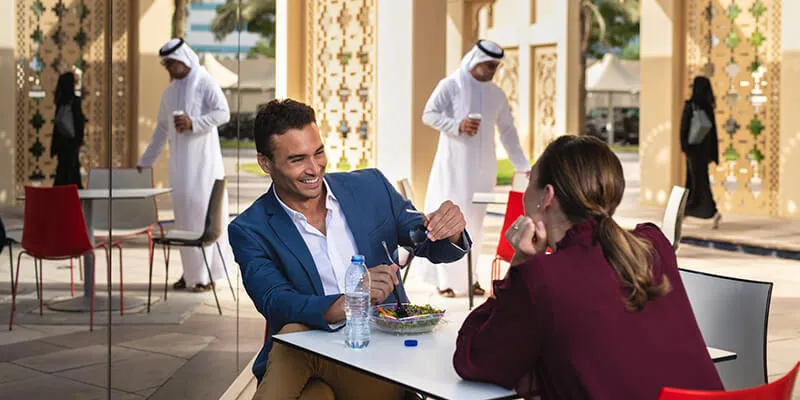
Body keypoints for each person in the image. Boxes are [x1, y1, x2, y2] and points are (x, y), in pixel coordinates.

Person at [229, 99, 471, 399]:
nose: (314, 168)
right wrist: (347, 302)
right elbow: (276, 301)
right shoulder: (250, 229)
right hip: (315, 353)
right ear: (265, 163)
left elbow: (423, 239)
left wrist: (450, 229)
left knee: (294, 345)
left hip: (381, 361)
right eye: (297, 159)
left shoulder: (370, 187)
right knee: (312, 388)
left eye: (318, 153)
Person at [453, 135, 723, 399]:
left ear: (547, 196)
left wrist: (521, 263)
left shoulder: (543, 278)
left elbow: (476, 359)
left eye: (530, 182)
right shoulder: (652, 245)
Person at [419, 39, 530, 298]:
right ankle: (444, 280)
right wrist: (457, 125)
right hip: (453, 167)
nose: (492, 71)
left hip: (484, 171)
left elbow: (508, 133)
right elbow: (429, 114)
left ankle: (470, 279)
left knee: (476, 224)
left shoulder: (496, 94)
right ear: (476, 61)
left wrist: (523, 166)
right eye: (489, 65)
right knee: (449, 220)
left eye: (496, 66)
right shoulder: (451, 85)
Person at [137, 38, 233, 292]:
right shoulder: (170, 92)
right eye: (166, 64)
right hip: (180, 168)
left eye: (172, 63)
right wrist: (146, 162)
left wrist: (195, 123)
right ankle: (191, 274)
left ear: (184, 59)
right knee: (184, 221)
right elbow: (161, 129)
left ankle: (205, 276)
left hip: (205, 165)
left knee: (204, 218)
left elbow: (223, 113)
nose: (169, 68)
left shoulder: (204, 81)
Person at [680, 76, 722, 229]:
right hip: (702, 153)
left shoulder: (691, 106)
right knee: (697, 180)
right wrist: (713, 154)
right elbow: (713, 134)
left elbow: (683, 129)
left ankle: (706, 211)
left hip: (693, 150)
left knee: (697, 182)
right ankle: (690, 212)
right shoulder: (707, 107)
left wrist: (684, 147)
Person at [51, 72, 85, 188]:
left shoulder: (60, 101)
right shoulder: (74, 101)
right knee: (72, 172)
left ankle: (59, 197)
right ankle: (73, 197)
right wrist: (79, 140)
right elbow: (79, 122)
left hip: (62, 145)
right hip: (72, 143)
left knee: (62, 171)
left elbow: (57, 125)